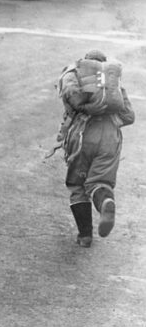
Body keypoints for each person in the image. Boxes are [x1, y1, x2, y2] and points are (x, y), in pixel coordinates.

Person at [58, 50, 135, 247]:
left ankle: (85, 236)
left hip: (83, 135)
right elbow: (128, 116)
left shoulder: (74, 76)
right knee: (100, 182)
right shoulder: (112, 84)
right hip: (109, 136)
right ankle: (106, 202)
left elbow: (71, 103)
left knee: (78, 185)